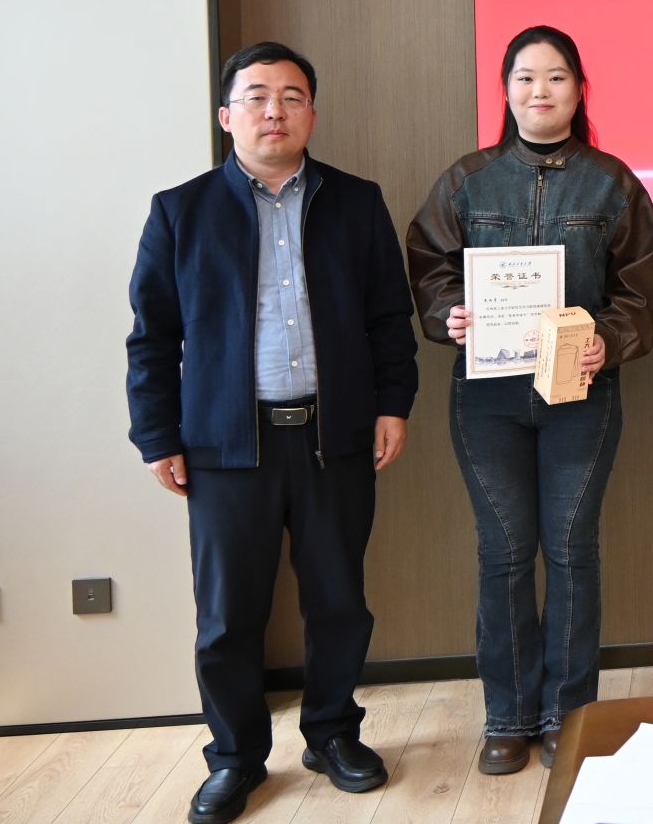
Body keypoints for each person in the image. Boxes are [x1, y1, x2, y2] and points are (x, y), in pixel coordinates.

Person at [127, 43, 416, 824]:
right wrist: (157, 434)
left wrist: (393, 403)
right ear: (227, 115)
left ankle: (332, 733)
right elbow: (152, 337)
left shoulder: (355, 203)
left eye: (291, 96)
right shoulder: (181, 211)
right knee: (228, 617)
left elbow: (390, 318)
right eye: (256, 96)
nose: (274, 110)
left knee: (338, 601)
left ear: (312, 113)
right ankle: (235, 756)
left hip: (335, 435)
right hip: (226, 446)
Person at [406, 26, 653, 772]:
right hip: (486, 400)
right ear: (506, 90)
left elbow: (641, 291)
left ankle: (566, 714)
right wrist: (448, 313)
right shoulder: (468, 180)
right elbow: (429, 268)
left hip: (581, 393)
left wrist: (608, 339)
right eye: (525, 77)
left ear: (579, 90)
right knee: (506, 550)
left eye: (555, 77)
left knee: (573, 549)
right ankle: (508, 715)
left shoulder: (612, 183)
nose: (540, 90)